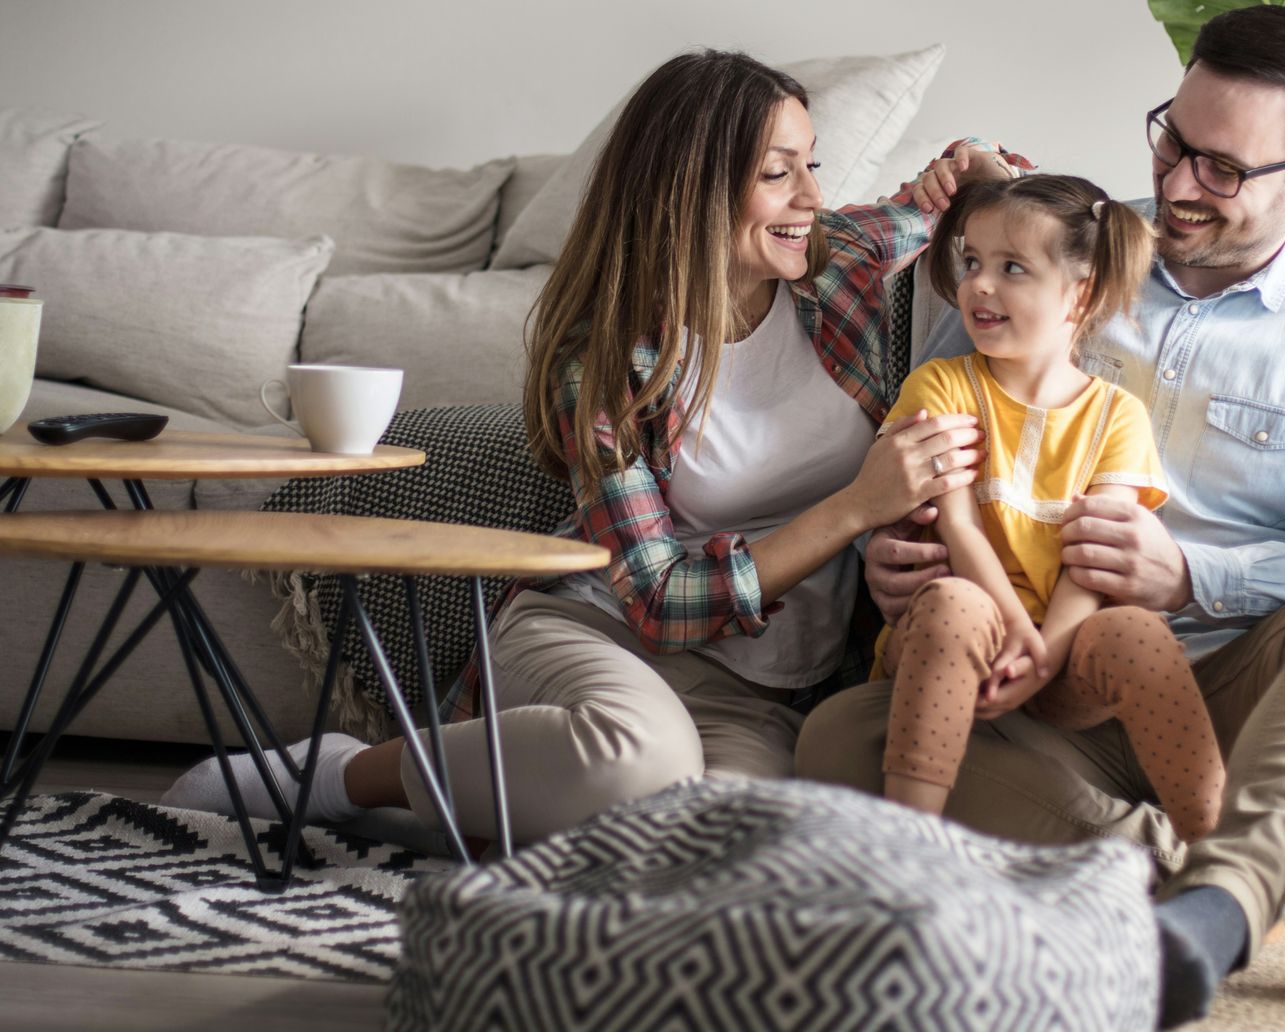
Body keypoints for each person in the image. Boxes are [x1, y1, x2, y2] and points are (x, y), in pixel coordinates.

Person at [162, 49, 1020, 847]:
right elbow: (655, 599)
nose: (809, 196)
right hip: (603, 640)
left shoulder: (839, 264)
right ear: (690, 191)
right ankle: (343, 777)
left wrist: (974, 160)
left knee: (732, 849)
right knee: (635, 762)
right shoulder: (608, 362)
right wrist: (854, 509)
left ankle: (446, 820)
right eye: (776, 172)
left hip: (757, 694)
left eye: (811, 163)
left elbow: (952, 192)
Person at [793, 5, 1285, 1029]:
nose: (1179, 184)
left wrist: (1193, 575)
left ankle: (1215, 909)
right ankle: (1240, 864)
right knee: (835, 740)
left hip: (1226, 689)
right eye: (1172, 138)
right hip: (1034, 694)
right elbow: (934, 444)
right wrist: (892, 554)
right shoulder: (1047, 250)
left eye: (1224, 169)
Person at [875, 173, 1225, 846]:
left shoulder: (1117, 416)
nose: (979, 284)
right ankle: (907, 847)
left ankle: (1221, 855)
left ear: (1080, 295)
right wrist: (1013, 629)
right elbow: (957, 523)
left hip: (1061, 653)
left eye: (1013, 269)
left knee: (1138, 635)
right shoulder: (941, 384)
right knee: (955, 604)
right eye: (972, 262)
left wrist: (1046, 655)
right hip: (961, 638)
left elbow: (1092, 562)